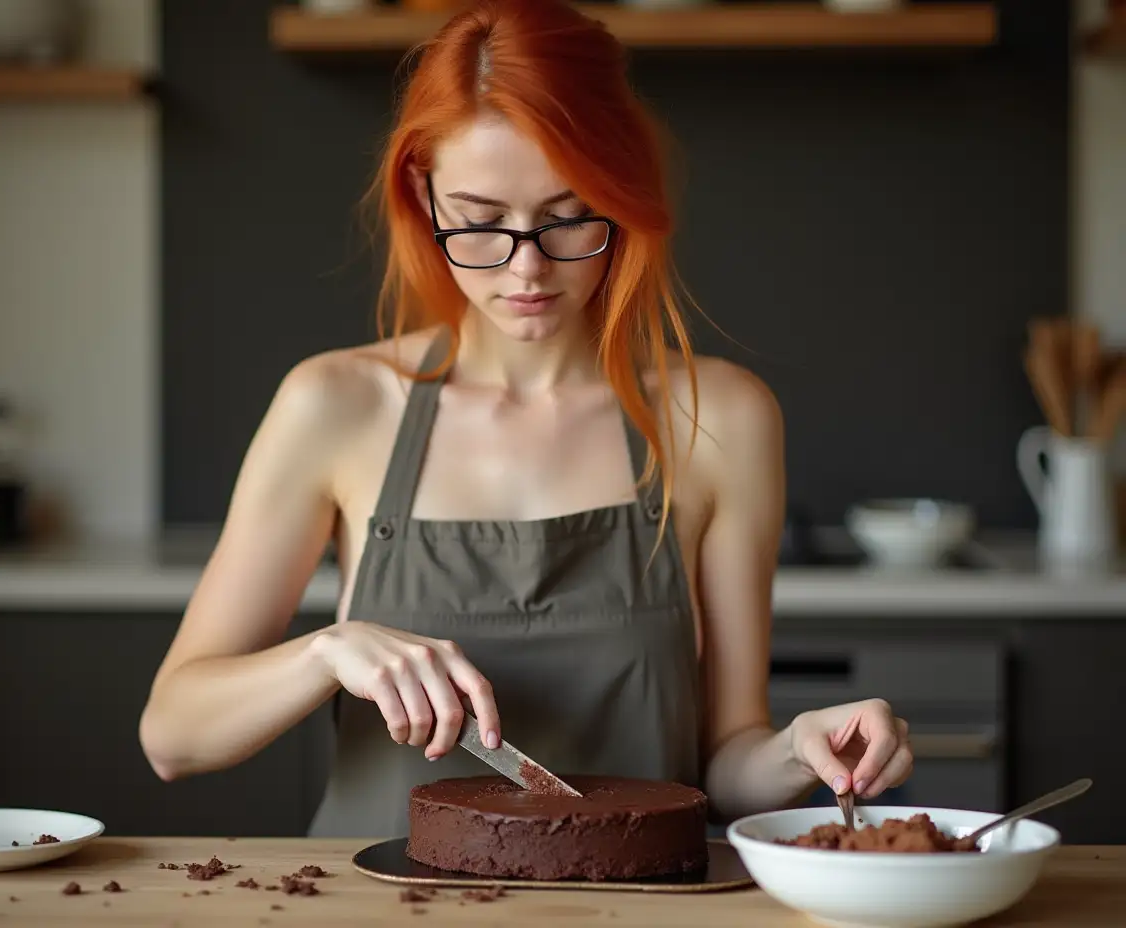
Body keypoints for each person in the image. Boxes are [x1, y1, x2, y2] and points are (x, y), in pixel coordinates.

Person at [138, 0, 913, 838]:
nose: (528, 269)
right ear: (420, 196)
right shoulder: (337, 406)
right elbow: (173, 737)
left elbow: (725, 761)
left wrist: (798, 752)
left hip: (630, 909)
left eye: (567, 216)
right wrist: (326, 653)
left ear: (622, 193)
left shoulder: (721, 417)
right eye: (478, 224)